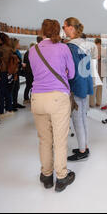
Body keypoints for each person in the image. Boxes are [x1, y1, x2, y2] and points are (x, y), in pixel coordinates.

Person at [29, 19, 76, 192]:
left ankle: (47, 176)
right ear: (59, 31)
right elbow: (71, 74)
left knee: (44, 140)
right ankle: (62, 176)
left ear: (42, 31)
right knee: (60, 140)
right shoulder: (63, 48)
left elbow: (36, 73)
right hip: (57, 98)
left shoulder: (33, 50)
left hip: (37, 98)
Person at [62, 17, 93, 162]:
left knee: (77, 119)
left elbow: (71, 69)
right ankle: (84, 145)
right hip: (85, 82)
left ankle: (82, 150)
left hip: (76, 84)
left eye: (65, 27)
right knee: (82, 117)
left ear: (71, 28)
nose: (63, 30)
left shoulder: (71, 46)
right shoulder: (85, 44)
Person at [0, 32, 15, 116]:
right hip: (8, 71)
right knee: (7, 91)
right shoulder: (9, 48)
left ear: (1, 39)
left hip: (2, 71)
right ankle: (9, 109)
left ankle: (1, 111)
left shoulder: (1, 49)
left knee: (0, 92)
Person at [11, 38, 26, 109]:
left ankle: (15, 103)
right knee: (13, 88)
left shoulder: (16, 52)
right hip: (13, 74)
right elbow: (14, 64)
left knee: (16, 88)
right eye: (18, 43)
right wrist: (21, 64)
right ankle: (12, 104)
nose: (19, 45)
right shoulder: (12, 53)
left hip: (16, 73)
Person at [89, 38, 102, 108]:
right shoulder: (103, 48)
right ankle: (98, 102)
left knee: (93, 85)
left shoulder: (93, 48)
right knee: (100, 86)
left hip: (95, 68)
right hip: (102, 68)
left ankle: (91, 103)